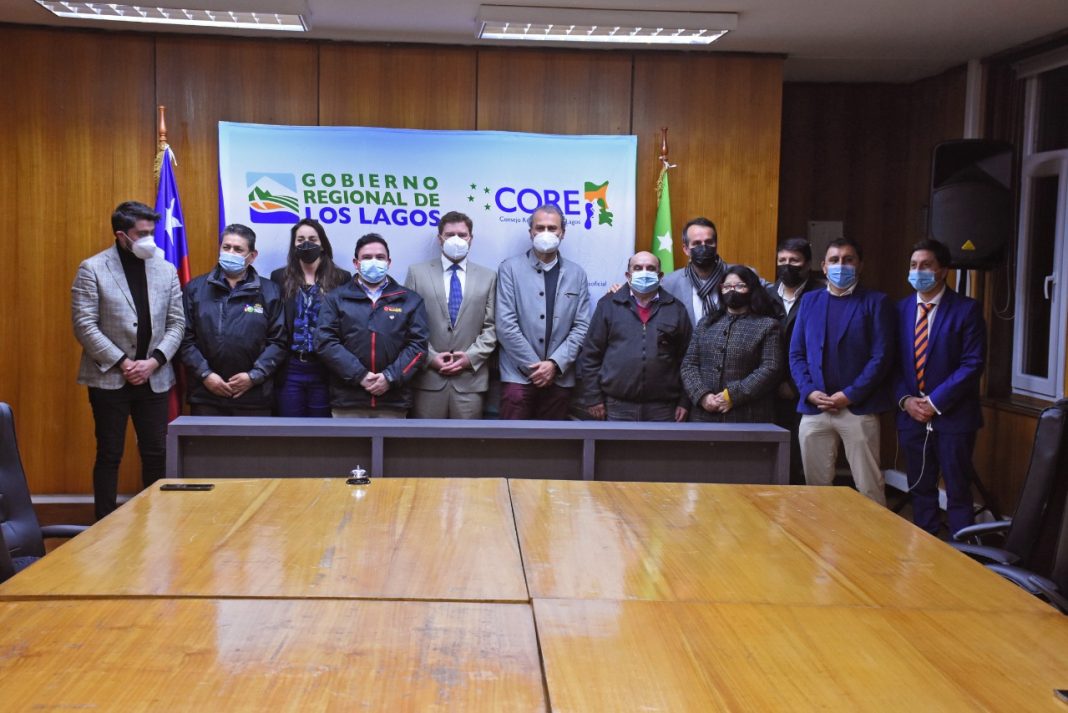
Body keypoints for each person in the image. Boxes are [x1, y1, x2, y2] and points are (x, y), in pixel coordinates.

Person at [72, 201, 185, 520]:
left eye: (152, 232)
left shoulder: (165, 269)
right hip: (110, 378)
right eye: (141, 233)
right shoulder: (93, 268)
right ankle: (103, 522)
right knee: (109, 453)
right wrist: (123, 362)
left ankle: (156, 520)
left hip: (155, 376)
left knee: (156, 452)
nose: (149, 239)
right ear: (121, 235)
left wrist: (154, 361)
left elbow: (177, 323)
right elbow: (84, 324)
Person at [789, 238, 895, 505]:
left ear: (860, 265)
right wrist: (808, 391)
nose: (841, 265)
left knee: (869, 487)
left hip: (857, 408)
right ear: (824, 267)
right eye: (834, 260)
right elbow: (796, 354)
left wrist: (850, 395)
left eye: (848, 260)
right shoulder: (809, 301)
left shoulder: (876, 302)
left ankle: (875, 533)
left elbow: (881, 357)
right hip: (815, 408)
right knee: (815, 490)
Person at [893, 239, 986, 535]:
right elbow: (890, 363)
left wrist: (934, 403)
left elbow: (972, 363)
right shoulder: (899, 310)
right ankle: (925, 547)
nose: (918, 271)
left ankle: (963, 553)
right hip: (911, 416)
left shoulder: (967, 309)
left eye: (926, 265)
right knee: (920, 488)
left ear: (943, 270)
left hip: (954, 416)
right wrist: (906, 401)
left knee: (958, 491)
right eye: (913, 265)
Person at [316, 234, 429, 418]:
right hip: (348, 401)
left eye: (380, 257)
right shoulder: (336, 298)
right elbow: (325, 342)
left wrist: (390, 377)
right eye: (367, 257)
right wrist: (360, 375)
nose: (374, 262)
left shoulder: (410, 300)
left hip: (393, 401)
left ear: (389, 262)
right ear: (356, 263)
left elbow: (418, 346)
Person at [179, 224, 286, 416]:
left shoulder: (271, 291)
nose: (230, 253)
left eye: (238, 249)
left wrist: (254, 376)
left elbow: (279, 341)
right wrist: (206, 375)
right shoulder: (195, 289)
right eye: (226, 247)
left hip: (255, 396)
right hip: (206, 394)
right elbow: (184, 339)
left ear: (252, 256)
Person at [496, 204, 590, 420]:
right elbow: (505, 324)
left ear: (562, 232)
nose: (546, 233)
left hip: (560, 377)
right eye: (540, 228)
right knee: (512, 438)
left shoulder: (577, 274)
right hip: (517, 376)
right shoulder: (509, 269)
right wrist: (535, 368)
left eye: (552, 228)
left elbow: (582, 326)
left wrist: (554, 365)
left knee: (553, 440)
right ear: (531, 232)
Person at [403, 211, 497, 419]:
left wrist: (470, 358)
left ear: (471, 238)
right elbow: (406, 323)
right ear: (440, 239)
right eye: (449, 234)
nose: (456, 239)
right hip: (428, 379)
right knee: (426, 438)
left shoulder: (489, 277)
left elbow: (492, 326)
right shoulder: (417, 273)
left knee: (466, 439)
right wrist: (430, 358)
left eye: (462, 235)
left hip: (470, 381)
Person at [578, 251, 691, 422]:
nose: (644, 273)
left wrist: (684, 401)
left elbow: (688, 359)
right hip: (616, 406)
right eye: (638, 268)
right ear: (628, 275)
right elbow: (590, 355)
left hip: (663, 408)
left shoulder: (676, 309)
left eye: (650, 268)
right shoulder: (608, 305)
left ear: (660, 276)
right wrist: (593, 397)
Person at [269, 219, 351, 417]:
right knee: (290, 427)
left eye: (313, 239)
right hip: (291, 367)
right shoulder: (280, 277)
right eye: (300, 239)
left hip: (326, 368)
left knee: (322, 429)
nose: (306, 244)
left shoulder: (341, 278)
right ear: (294, 244)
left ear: (322, 244)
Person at [681, 265, 783, 423]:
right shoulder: (706, 323)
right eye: (727, 286)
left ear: (752, 289)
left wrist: (732, 396)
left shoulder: (768, 325)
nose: (732, 290)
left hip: (748, 415)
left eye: (740, 286)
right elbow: (689, 365)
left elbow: (770, 368)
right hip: (704, 415)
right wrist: (702, 396)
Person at [766, 236, 826, 483]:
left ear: (808, 264)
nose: (787, 266)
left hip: (808, 387)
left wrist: (795, 384)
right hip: (769, 387)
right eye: (782, 260)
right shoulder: (766, 295)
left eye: (794, 260)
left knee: (804, 458)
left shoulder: (821, 294)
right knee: (773, 456)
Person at [661, 217, 727, 327]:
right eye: (697, 243)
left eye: (709, 242)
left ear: (716, 245)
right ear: (686, 249)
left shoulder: (741, 277)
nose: (703, 247)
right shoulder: (668, 283)